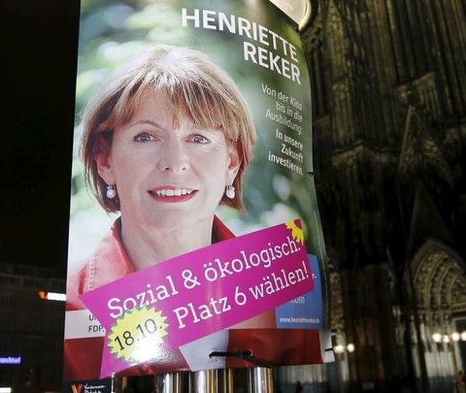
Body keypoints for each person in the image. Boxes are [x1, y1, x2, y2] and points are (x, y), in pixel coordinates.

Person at [64, 45, 321, 379]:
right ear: (105, 161)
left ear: (231, 163)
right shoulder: (66, 306)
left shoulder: (288, 286)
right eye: (146, 136)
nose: (175, 163)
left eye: (198, 138)